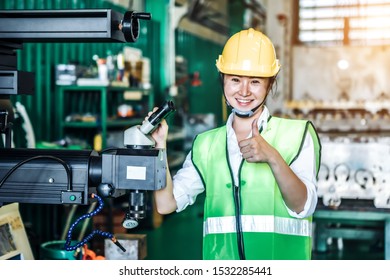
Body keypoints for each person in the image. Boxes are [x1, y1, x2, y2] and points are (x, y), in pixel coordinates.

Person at [149, 28, 321, 260]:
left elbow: (303, 206)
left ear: (270, 85)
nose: (244, 91)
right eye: (235, 80)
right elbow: (166, 204)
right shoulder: (206, 145)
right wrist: (160, 147)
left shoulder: (297, 135)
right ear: (223, 80)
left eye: (256, 81)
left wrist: (272, 157)